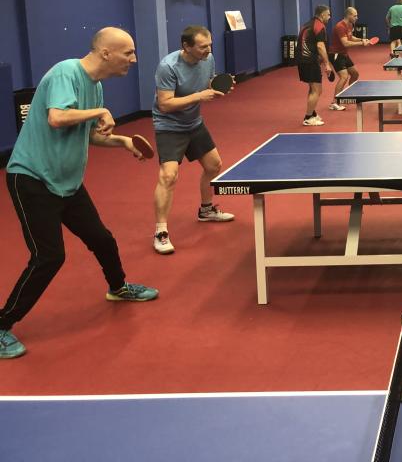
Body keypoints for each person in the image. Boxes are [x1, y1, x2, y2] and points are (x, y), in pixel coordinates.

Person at [0, 28, 159, 359]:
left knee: (102, 239)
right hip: (32, 179)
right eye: (128, 53)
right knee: (49, 256)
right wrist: (100, 112)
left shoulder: (95, 86)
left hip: (67, 182)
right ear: (105, 53)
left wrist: (123, 141)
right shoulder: (67, 72)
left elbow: (88, 135)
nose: (133, 59)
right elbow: (57, 118)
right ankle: (2, 324)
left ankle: (118, 288)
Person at [152, 25, 235, 255]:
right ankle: (160, 231)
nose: (208, 50)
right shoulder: (168, 67)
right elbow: (165, 104)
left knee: (214, 166)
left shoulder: (208, 59)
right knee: (168, 176)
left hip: (194, 123)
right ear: (186, 46)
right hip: (169, 126)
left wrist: (216, 89)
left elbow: (208, 84)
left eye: (210, 45)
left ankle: (206, 210)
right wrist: (199, 96)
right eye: (202, 47)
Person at [329, 6, 373, 110]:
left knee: (355, 74)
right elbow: (346, 43)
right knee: (344, 77)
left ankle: (348, 94)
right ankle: (334, 103)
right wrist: (362, 43)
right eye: (355, 16)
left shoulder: (350, 25)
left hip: (344, 54)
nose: (357, 18)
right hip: (336, 54)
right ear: (348, 15)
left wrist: (362, 39)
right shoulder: (340, 26)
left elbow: (350, 37)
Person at [296, 5, 333, 126]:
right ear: (322, 15)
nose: (329, 17)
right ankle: (308, 118)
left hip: (303, 60)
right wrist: (327, 64)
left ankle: (312, 113)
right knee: (317, 90)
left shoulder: (307, 24)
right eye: (328, 14)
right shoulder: (319, 26)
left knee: (313, 88)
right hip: (310, 61)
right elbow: (320, 46)